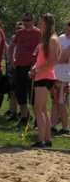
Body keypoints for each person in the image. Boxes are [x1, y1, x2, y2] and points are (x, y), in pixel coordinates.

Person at [29, 13, 60, 147]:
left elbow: (54, 60)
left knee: (37, 109)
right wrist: (34, 68)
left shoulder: (52, 39)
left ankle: (40, 139)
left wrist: (37, 70)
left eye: (41, 22)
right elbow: (41, 59)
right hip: (42, 75)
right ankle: (47, 139)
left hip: (45, 76)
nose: (39, 24)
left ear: (47, 24)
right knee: (42, 109)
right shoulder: (45, 39)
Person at [8, 12, 42, 129]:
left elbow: (41, 50)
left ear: (33, 20)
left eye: (27, 20)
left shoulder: (38, 33)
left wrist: (36, 65)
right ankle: (24, 117)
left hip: (32, 67)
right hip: (19, 67)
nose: (25, 22)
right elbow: (11, 47)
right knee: (20, 93)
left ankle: (38, 119)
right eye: (23, 20)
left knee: (33, 95)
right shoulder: (19, 33)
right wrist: (12, 60)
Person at [50, 20, 70, 135]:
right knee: (54, 101)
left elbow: (63, 59)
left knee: (61, 102)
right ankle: (53, 125)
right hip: (55, 73)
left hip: (64, 76)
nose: (67, 32)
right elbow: (58, 56)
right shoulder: (61, 37)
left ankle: (65, 127)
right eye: (66, 29)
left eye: (69, 30)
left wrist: (57, 57)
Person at [4, 21, 24, 120]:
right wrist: (11, 63)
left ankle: (24, 113)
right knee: (12, 92)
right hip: (12, 68)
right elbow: (9, 52)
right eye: (17, 28)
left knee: (19, 92)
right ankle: (13, 112)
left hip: (21, 68)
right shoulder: (13, 38)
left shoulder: (26, 39)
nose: (18, 30)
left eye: (20, 28)